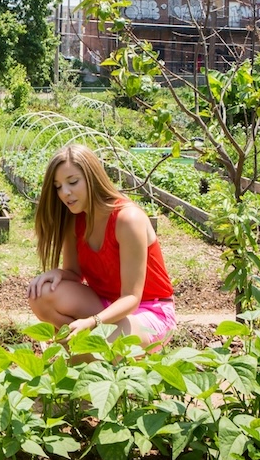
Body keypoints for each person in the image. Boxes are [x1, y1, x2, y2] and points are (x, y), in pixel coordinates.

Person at [28, 143, 175, 349]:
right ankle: (79, 347)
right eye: (58, 186)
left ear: (92, 178)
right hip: (105, 304)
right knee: (41, 294)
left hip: (149, 311)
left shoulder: (127, 219)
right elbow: (75, 273)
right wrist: (58, 274)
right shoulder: (75, 220)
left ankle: (90, 350)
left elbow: (132, 297)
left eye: (73, 182)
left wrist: (92, 322)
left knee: (92, 346)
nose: (65, 193)